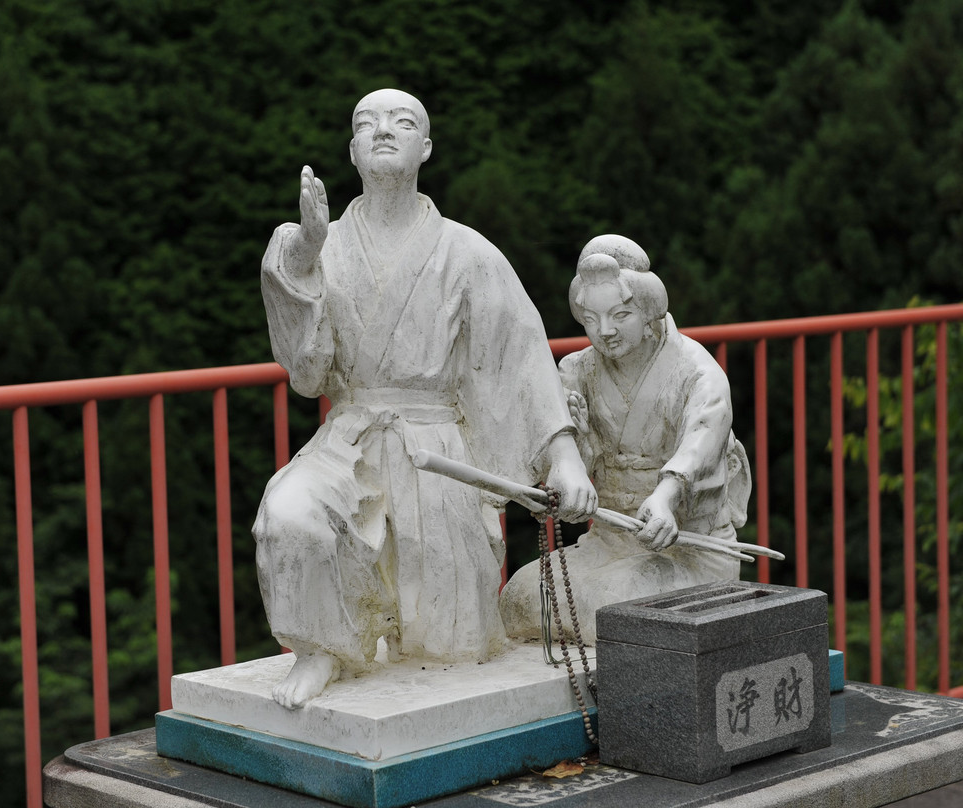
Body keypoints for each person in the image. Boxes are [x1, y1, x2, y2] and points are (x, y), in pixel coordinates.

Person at [255, 89, 596, 708]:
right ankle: (321, 647)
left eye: (402, 122)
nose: (384, 130)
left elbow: (521, 355)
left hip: (436, 444)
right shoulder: (316, 245)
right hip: (350, 440)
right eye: (367, 123)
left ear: (427, 147)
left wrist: (563, 455)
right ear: (352, 151)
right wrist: (302, 263)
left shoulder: (469, 252)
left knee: (453, 644)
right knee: (289, 514)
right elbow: (308, 375)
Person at [499, 235, 751, 644]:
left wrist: (666, 496)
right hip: (610, 539)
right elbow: (562, 461)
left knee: (611, 607)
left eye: (620, 314)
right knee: (522, 598)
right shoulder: (577, 371)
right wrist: (572, 456)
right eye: (592, 319)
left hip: (685, 546)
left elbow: (702, 440)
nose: (606, 331)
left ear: (650, 312)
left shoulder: (697, 372)